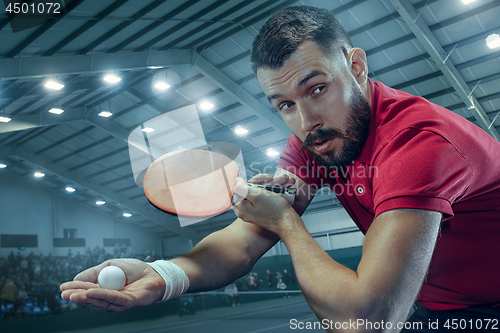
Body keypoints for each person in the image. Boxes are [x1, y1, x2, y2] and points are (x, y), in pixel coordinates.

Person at [60, 5, 500, 331]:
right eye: (285, 104)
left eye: (318, 88)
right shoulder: (315, 142)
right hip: (438, 305)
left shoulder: (419, 145)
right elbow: (248, 237)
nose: (306, 120)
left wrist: (288, 223)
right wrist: (163, 274)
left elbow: (367, 320)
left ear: (357, 66)